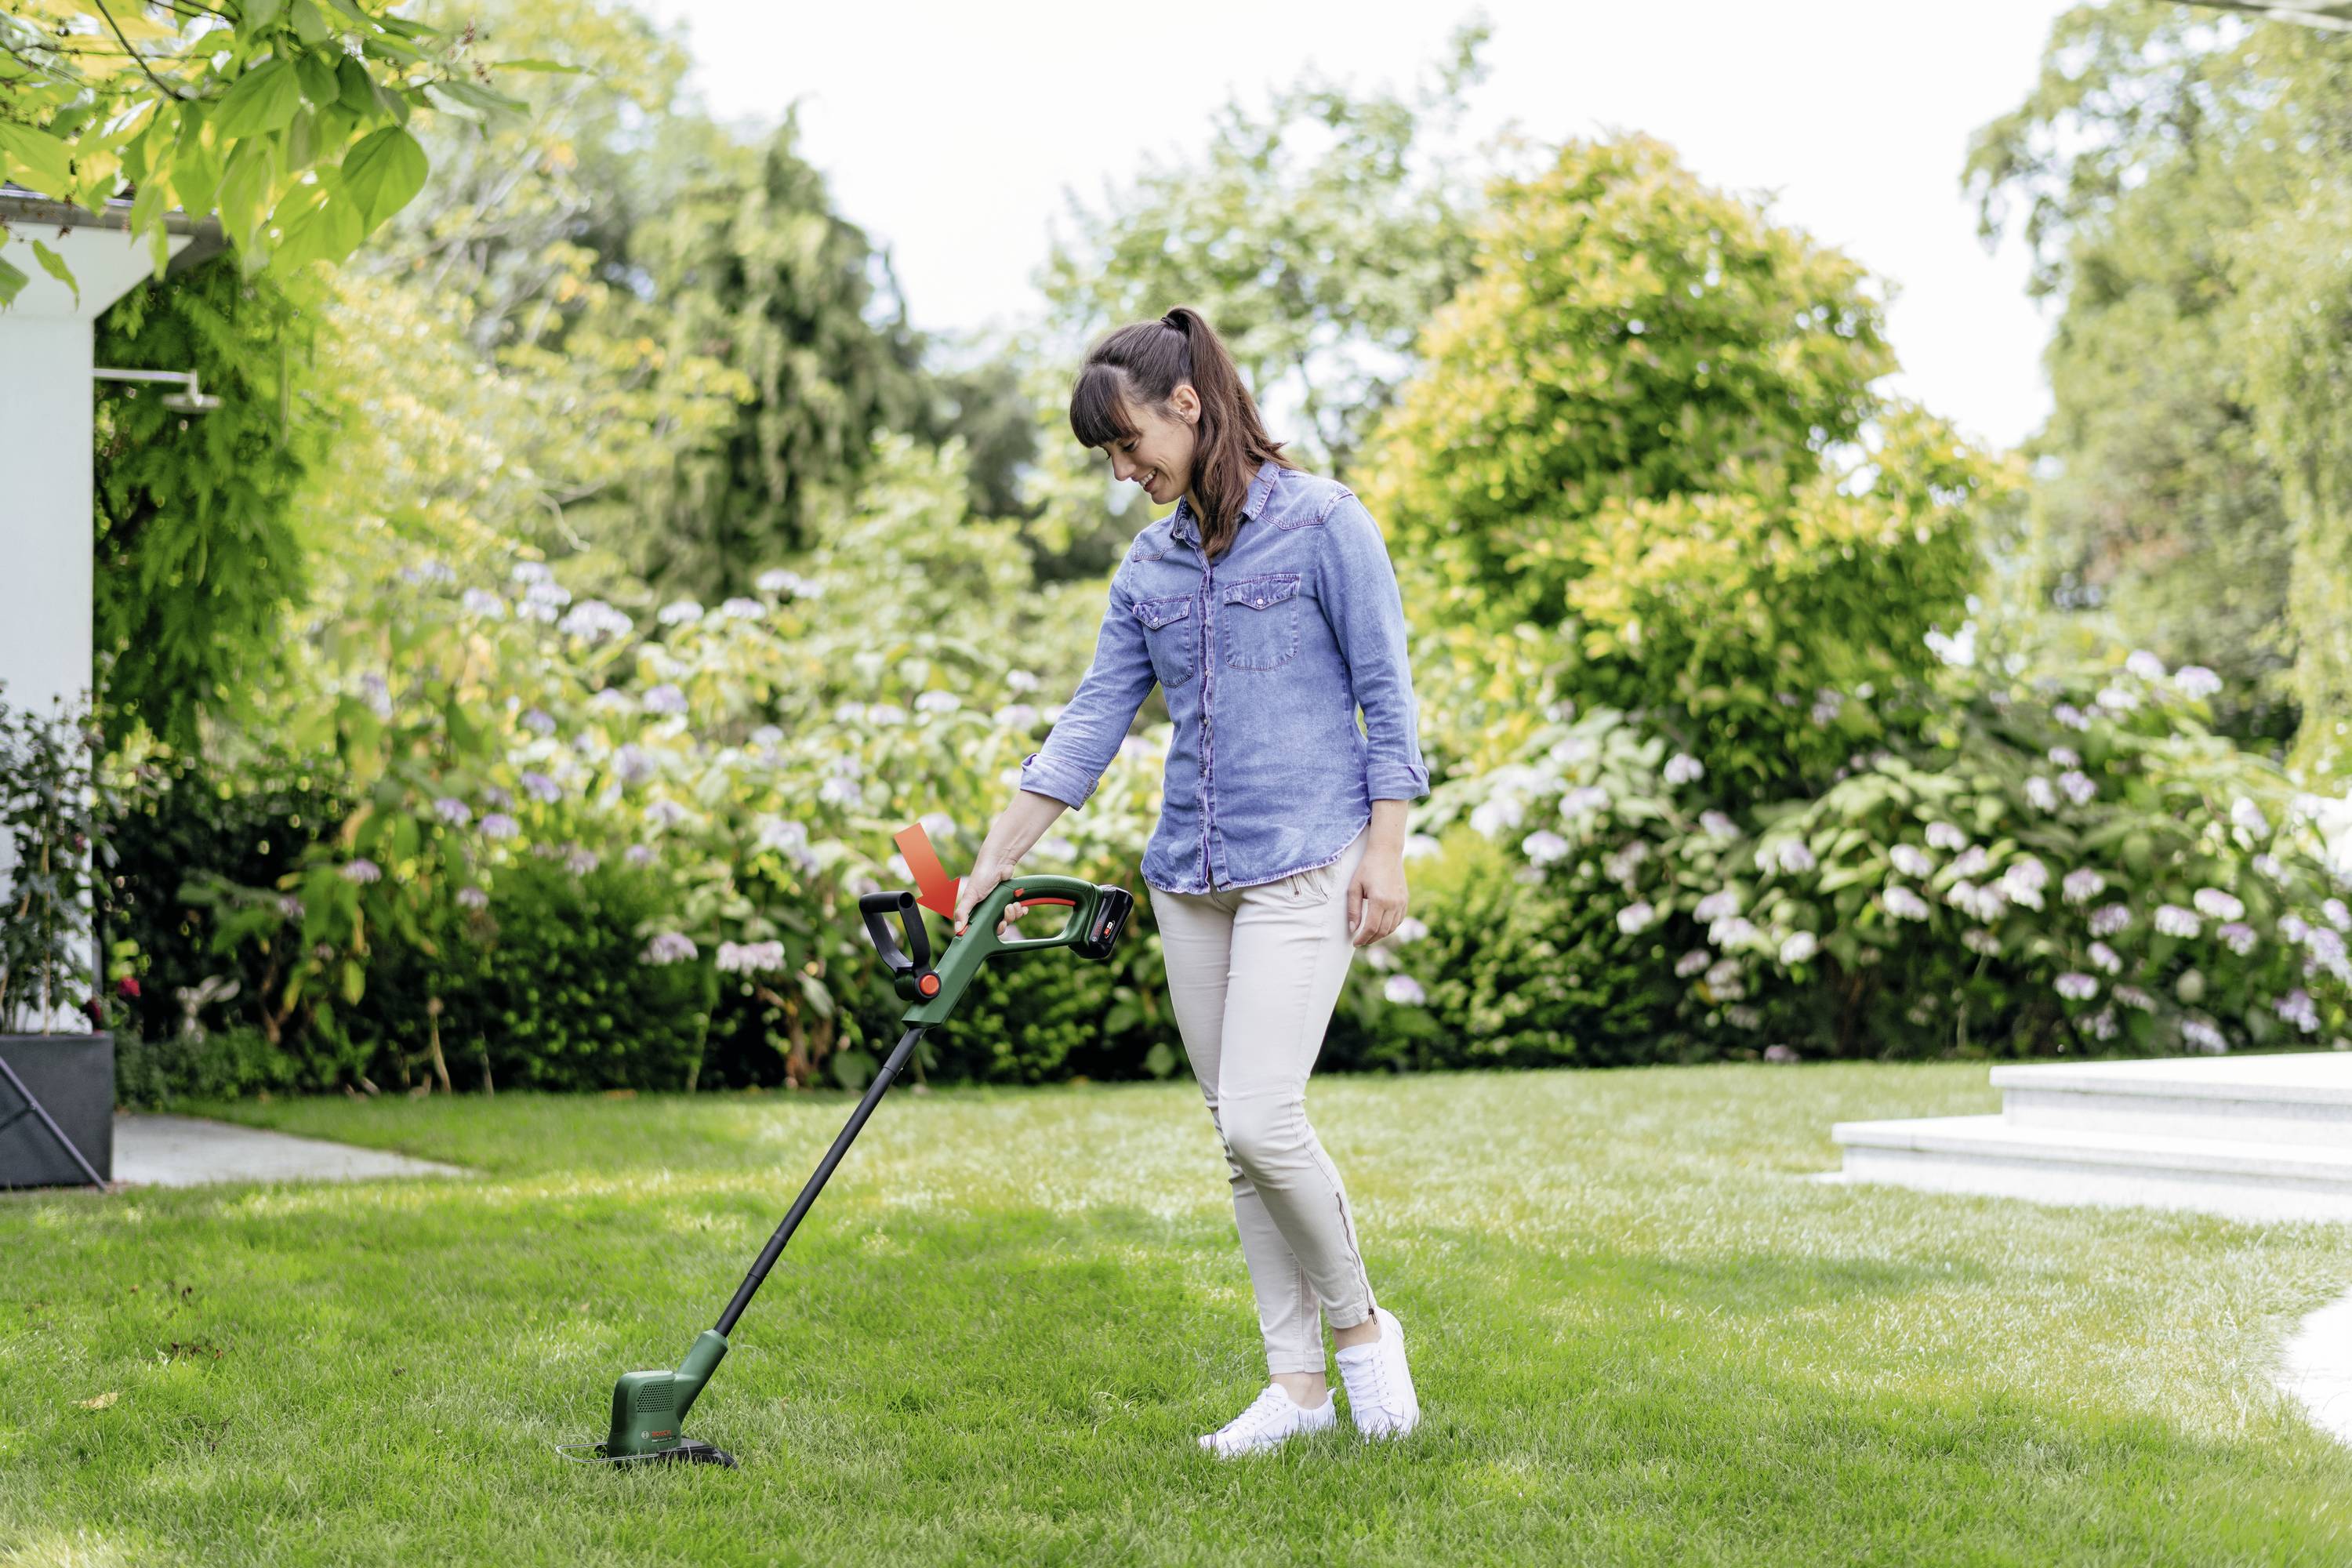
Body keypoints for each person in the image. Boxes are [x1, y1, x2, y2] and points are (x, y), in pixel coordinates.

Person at [953, 305, 1429, 1457]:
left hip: (1303, 863)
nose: (1126, 474)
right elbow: (1091, 721)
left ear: (1188, 404)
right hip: (1191, 879)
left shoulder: (1325, 524)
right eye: (1110, 459)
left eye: (1130, 447)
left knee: (1266, 1119)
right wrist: (995, 856)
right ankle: (1295, 1388)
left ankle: (1364, 1334)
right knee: (1236, 1139)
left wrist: (1387, 846)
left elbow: (1388, 692)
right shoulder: (1151, 566)